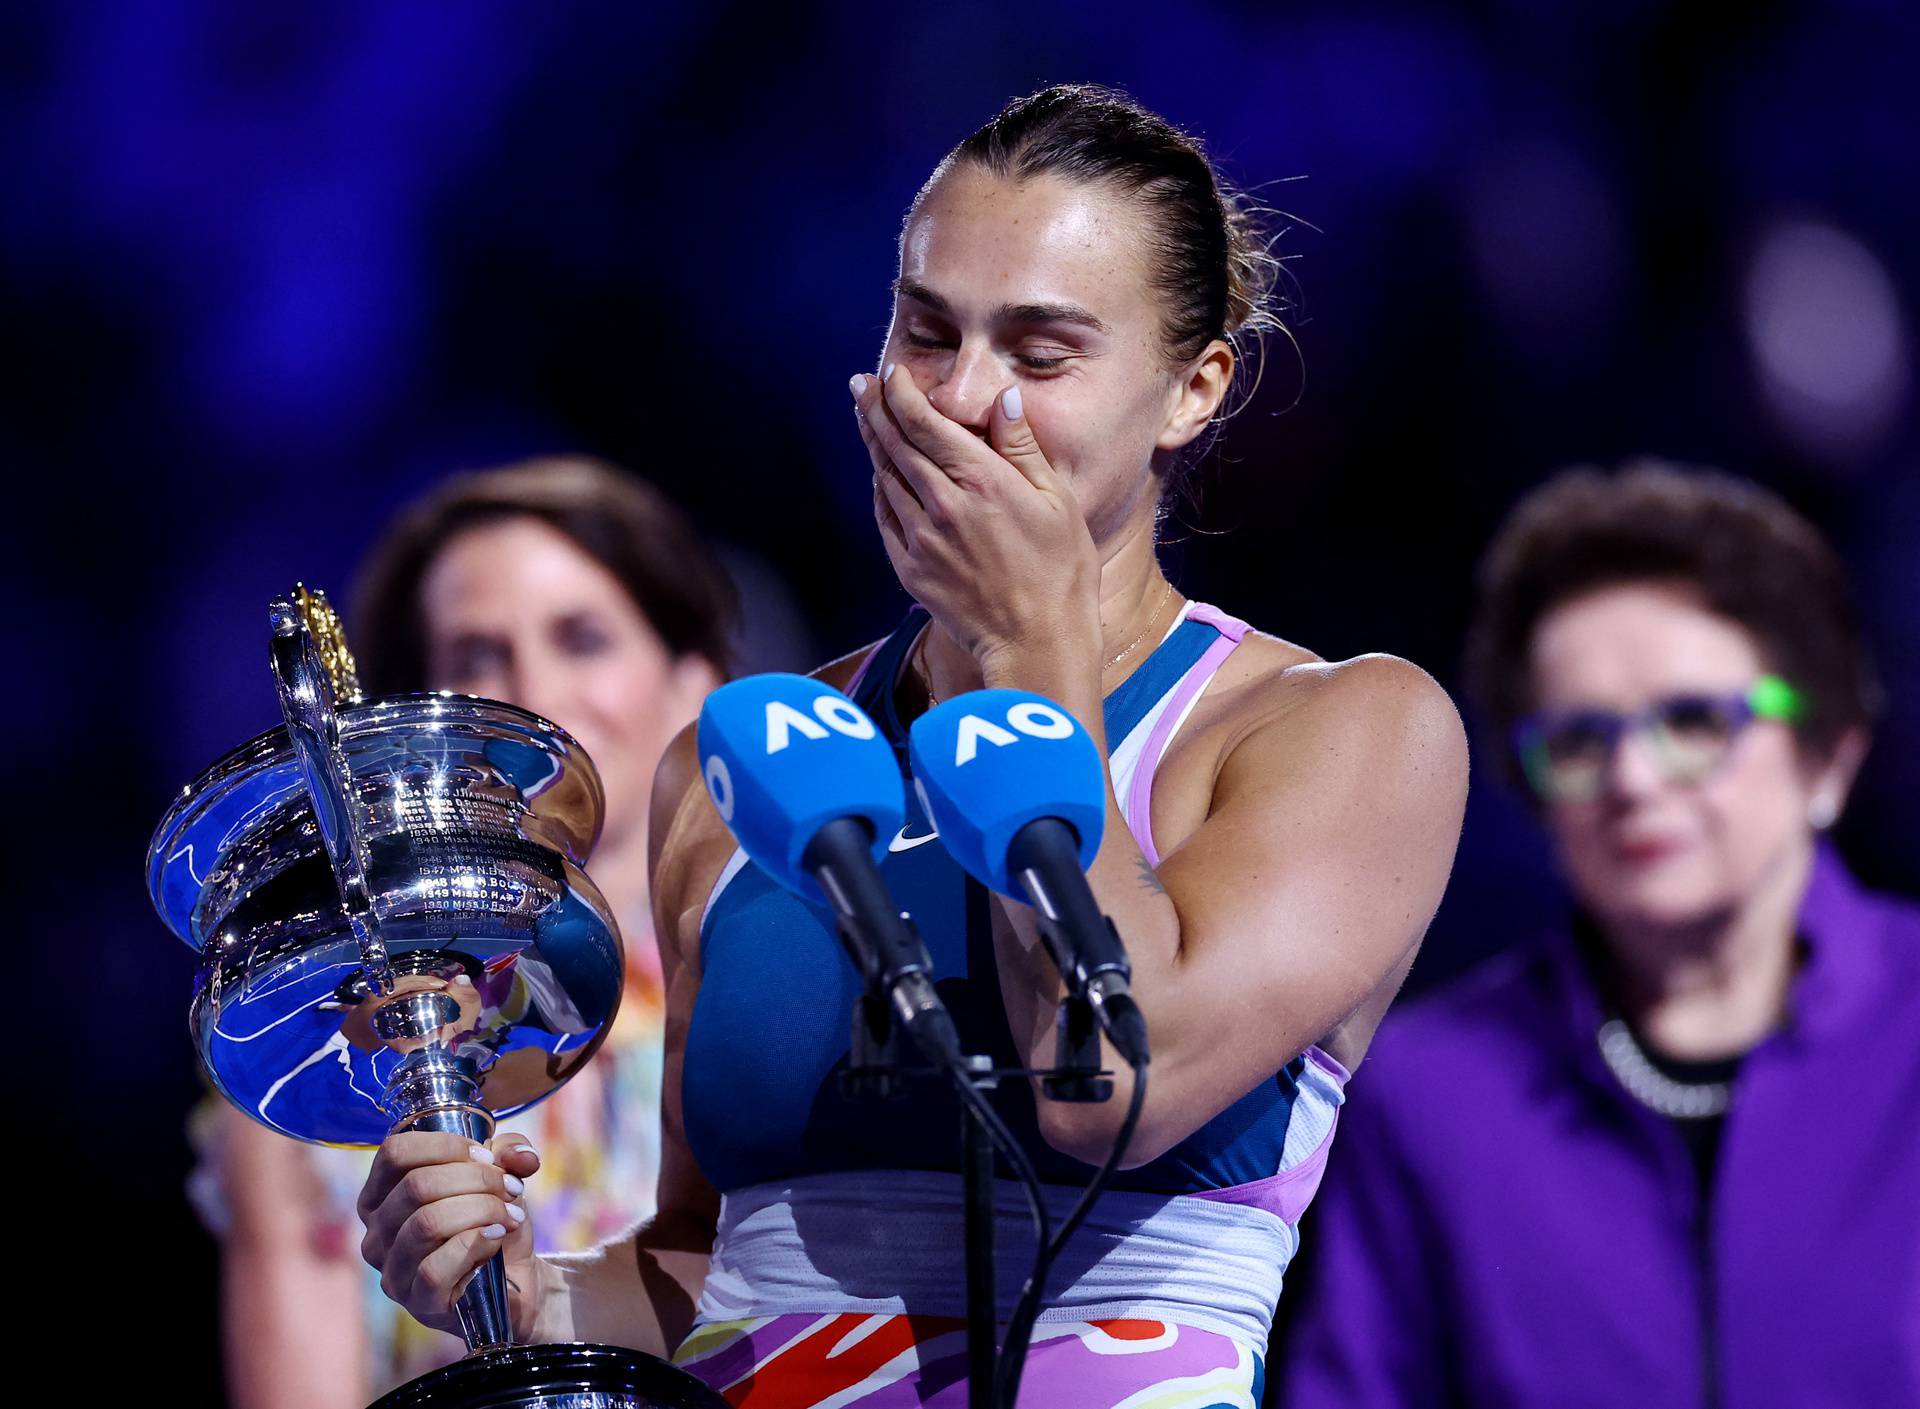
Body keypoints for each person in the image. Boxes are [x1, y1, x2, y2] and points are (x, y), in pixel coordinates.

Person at [357, 84, 1469, 1406]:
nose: (960, 400)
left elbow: (1107, 1083)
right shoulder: (748, 762)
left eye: (1042, 356)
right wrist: (520, 1284)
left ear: (1193, 388)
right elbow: (709, 1272)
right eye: (926, 333)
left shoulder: (1342, 728)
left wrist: (1027, 656)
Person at [1278, 461, 1920, 1407]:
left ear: (1827, 755)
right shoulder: (1426, 1092)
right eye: (1578, 741)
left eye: (1695, 720)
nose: (1632, 778)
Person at [200, 456, 735, 1407]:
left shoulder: (770, 1000)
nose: (532, 687)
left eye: (584, 638)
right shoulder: (321, 1070)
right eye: (476, 658)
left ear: (694, 682)